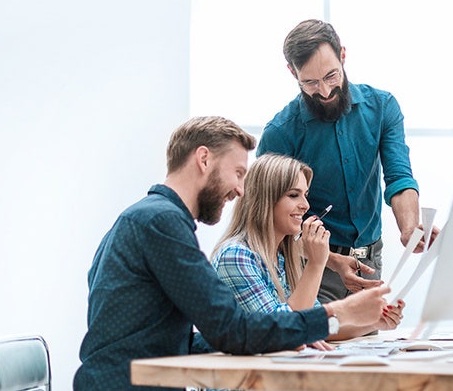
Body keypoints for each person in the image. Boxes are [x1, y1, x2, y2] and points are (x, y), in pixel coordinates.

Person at [73, 116, 391, 391]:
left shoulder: (143, 218)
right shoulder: (162, 223)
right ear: (204, 159)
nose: (240, 189)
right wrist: (339, 314)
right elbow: (233, 329)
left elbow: (172, 338)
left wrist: (290, 332)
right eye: (238, 172)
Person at [257, 19, 439, 305]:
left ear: (343, 55)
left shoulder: (382, 107)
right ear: (292, 72)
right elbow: (270, 220)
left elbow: (399, 178)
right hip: (310, 262)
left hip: (370, 258)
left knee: (369, 342)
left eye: (331, 76)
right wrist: (330, 260)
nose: (326, 92)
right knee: (315, 342)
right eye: (311, 83)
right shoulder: (280, 133)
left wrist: (409, 229)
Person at [211, 153, 405, 343]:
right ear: (265, 199)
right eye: (294, 195)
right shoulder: (236, 256)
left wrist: (374, 323)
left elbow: (318, 326)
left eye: (305, 195)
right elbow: (285, 332)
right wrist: (316, 264)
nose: (305, 205)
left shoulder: (281, 257)